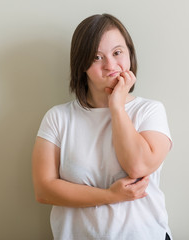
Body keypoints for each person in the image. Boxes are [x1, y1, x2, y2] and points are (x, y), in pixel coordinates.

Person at [32, 13, 173, 240]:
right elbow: (44, 189)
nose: (110, 65)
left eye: (117, 53)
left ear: (129, 54)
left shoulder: (150, 111)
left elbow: (138, 166)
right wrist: (110, 195)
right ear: (82, 65)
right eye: (97, 57)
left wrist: (116, 106)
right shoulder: (58, 117)